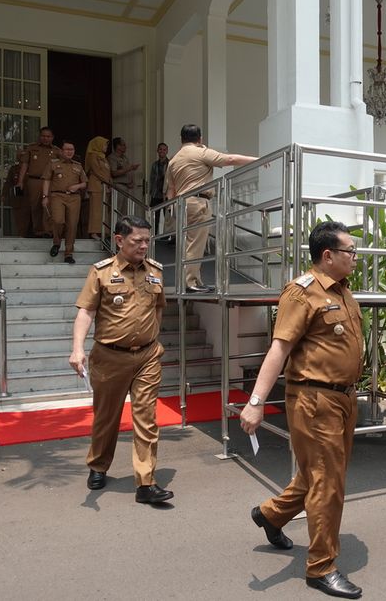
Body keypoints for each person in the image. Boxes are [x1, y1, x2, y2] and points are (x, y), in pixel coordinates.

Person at [240, 221, 364, 599]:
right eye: (350, 252)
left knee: (320, 474)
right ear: (328, 256)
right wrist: (256, 403)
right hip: (315, 400)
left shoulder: (343, 291)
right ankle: (321, 567)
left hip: (343, 398)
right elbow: (279, 349)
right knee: (327, 483)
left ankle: (271, 514)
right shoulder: (301, 293)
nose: (355, 258)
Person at [68, 215, 174, 504]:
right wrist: (77, 348)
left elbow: (158, 308)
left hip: (147, 356)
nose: (143, 246)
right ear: (119, 240)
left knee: (146, 418)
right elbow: (86, 312)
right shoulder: (101, 272)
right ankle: (99, 465)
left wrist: (152, 339)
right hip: (109, 357)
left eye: (146, 241)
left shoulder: (155, 271)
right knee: (107, 417)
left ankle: (145, 483)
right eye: (136, 240)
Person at [165, 124, 258, 293]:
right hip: (198, 202)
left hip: (181, 204)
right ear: (200, 138)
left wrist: (172, 211)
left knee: (188, 243)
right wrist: (255, 160)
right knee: (195, 244)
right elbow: (229, 160)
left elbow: (170, 190)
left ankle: (194, 280)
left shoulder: (173, 160)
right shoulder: (201, 152)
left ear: (181, 139)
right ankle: (190, 282)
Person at [43, 140, 88, 264]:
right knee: (58, 220)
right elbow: (46, 179)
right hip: (57, 195)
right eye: (67, 149)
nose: (69, 152)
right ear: (61, 151)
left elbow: (84, 182)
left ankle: (68, 253)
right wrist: (45, 196)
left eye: (71, 150)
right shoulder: (53, 164)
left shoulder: (78, 165)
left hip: (74, 198)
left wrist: (77, 186)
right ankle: (56, 242)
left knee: (72, 225)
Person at [16, 126, 61, 238]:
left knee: (48, 205)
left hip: (50, 182)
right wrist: (20, 181)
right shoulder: (32, 148)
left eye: (48, 136)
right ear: (39, 136)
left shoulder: (57, 151)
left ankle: (49, 230)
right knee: (35, 205)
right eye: (43, 136)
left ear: (52, 138)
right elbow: (25, 165)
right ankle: (38, 230)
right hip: (34, 180)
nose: (45, 138)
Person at [85, 136, 111, 241]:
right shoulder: (93, 156)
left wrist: (109, 183)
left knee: (103, 210)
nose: (106, 147)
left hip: (104, 186)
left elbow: (107, 172)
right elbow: (97, 171)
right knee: (95, 210)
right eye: (105, 144)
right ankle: (94, 232)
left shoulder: (103, 156)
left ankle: (104, 232)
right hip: (96, 185)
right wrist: (107, 181)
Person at [148, 142, 170, 235]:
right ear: (157, 150)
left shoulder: (170, 164)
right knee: (154, 218)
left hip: (166, 195)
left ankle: (168, 237)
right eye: (160, 149)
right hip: (155, 194)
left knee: (168, 218)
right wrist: (151, 193)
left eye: (164, 149)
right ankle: (153, 236)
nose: (162, 151)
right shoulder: (154, 165)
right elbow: (152, 179)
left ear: (167, 151)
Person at [3, 161, 26, 237]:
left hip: (30, 193)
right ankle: (21, 234)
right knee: (19, 214)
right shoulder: (14, 169)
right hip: (18, 191)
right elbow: (8, 182)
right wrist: (4, 194)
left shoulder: (32, 168)